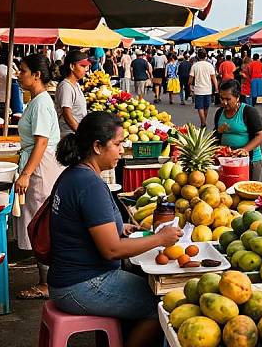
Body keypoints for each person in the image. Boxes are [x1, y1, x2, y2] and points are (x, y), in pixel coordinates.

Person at [48, 112, 182, 347]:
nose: (122, 150)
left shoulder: (73, 174)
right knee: (159, 306)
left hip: (67, 279)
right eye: (118, 144)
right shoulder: (89, 184)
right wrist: (161, 238)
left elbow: (86, 226)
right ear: (98, 146)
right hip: (81, 285)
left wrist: (120, 227)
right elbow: (111, 249)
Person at [14, 54, 63, 299]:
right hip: (37, 166)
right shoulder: (36, 101)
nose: (18, 74)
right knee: (37, 224)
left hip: (41, 169)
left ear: (37, 75)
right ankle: (46, 280)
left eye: (22, 70)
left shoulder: (42, 102)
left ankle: (46, 284)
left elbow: (41, 142)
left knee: (40, 226)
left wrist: (26, 173)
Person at [214, 80, 262, 181]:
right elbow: (215, 136)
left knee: (248, 191)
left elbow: (261, 135)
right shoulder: (219, 112)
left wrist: (245, 149)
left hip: (249, 161)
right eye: (221, 98)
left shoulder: (249, 112)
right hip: (227, 160)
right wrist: (218, 131)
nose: (224, 102)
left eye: (228, 99)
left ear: (237, 97)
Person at [55, 51, 90, 138]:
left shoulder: (76, 85)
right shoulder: (66, 87)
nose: (86, 69)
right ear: (72, 66)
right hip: (69, 136)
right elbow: (67, 115)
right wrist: (81, 134)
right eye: (82, 66)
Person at [189, 49, 218, 128]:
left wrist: (189, 85)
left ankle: (203, 122)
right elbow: (214, 78)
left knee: (200, 107)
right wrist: (216, 88)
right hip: (208, 89)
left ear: (198, 56)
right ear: (206, 56)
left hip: (198, 90)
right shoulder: (210, 65)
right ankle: (203, 121)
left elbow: (191, 78)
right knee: (206, 107)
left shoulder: (195, 66)